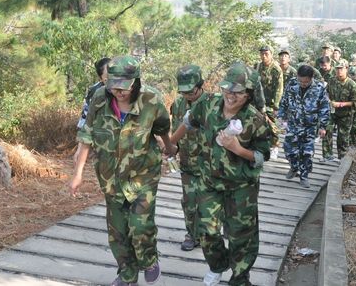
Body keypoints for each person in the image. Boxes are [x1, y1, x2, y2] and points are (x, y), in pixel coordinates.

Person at [69, 55, 171, 286]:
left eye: (124, 87)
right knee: (118, 231)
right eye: (114, 87)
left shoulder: (151, 99)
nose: (119, 92)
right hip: (110, 176)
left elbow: (163, 127)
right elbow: (87, 136)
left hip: (142, 174)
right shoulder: (98, 98)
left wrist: (170, 146)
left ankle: (148, 258)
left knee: (140, 225)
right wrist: (77, 174)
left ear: (136, 82)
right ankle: (127, 274)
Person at [171, 61, 271, 286]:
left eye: (237, 92)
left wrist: (238, 149)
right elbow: (187, 122)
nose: (230, 96)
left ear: (248, 94)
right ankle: (218, 265)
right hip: (209, 182)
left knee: (241, 236)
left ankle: (240, 278)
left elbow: (262, 156)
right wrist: (170, 145)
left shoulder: (255, 120)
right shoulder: (207, 104)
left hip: (241, 187)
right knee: (206, 230)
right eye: (227, 89)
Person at [170, 65, 208, 252]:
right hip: (187, 162)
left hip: (209, 164)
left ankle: (208, 234)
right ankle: (192, 234)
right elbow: (175, 129)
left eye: (191, 91)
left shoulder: (213, 103)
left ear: (201, 85)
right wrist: (172, 149)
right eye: (184, 92)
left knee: (209, 201)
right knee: (189, 201)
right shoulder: (177, 104)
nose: (188, 96)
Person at [278, 65, 330, 188]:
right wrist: (281, 115)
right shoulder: (292, 84)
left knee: (307, 153)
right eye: (300, 81)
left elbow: (324, 108)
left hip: (310, 126)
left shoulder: (319, 88)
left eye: (306, 82)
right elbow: (284, 100)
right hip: (293, 123)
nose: (303, 84)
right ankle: (294, 167)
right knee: (289, 150)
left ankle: (304, 176)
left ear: (311, 78)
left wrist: (323, 126)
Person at [323, 59, 356, 160]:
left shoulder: (352, 84)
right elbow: (325, 92)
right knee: (327, 130)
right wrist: (328, 100)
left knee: (343, 136)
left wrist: (341, 104)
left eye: (341, 69)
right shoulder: (332, 80)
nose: (339, 71)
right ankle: (327, 155)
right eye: (337, 69)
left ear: (346, 69)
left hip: (345, 114)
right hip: (331, 111)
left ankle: (342, 157)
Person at [255, 45, 284, 159]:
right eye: (262, 53)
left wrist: (276, 106)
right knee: (257, 124)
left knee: (272, 126)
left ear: (271, 54)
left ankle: (275, 147)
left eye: (266, 53)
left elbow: (279, 89)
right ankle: (261, 147)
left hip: (271, 102)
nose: (264, 56)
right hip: (258, 100)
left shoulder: (276, 69)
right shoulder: (257, 66)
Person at [76, 57, 111, 131]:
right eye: (108, 76)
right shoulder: (95, 91)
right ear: (101, 78)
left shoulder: (126, 87)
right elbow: (85, 118)